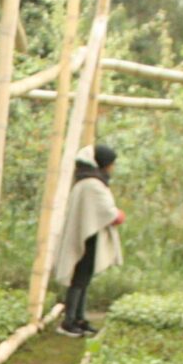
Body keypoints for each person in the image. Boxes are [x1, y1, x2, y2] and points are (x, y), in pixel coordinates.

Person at [55, 142, 124, 337]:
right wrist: (118, 214)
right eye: (111, 164)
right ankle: (69, 321)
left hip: (90, 235)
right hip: (87, 238)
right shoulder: (92, 185)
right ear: (103, 164)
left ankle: (79, 318)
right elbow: (108, 213)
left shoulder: (88, 182)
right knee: (79, 279)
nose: (113, 167)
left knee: (83, 279)